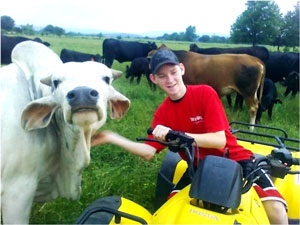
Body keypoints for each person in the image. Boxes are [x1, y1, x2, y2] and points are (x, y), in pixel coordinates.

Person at [91, 49, 288, 224]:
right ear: (153, 79)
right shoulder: (162, 114)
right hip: (198, 167)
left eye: (173, 72)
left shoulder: (205, 93)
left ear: (182, 70)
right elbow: (149, 152)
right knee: (169, 211)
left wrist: (178, 135)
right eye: (162, 76)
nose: (170, 80)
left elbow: (219, 140)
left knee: (277, 211)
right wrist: (111, 137)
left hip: (236, 160)